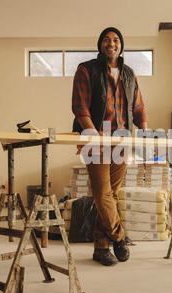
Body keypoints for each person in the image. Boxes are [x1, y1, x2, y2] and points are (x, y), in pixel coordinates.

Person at [71, 27, 148, 266]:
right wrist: (92, 133)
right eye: (106, 39)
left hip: (122, 140)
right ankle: (119, 236)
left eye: (116, 40)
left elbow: (138, 108)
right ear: (100, 45)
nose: (111, 43)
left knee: (111, 194)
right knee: (102, 193)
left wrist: (144, 131)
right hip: (96, 139)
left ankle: (101, 248)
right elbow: (80, 106)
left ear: (121, 46)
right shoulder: (87, 69)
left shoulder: (129, 74)